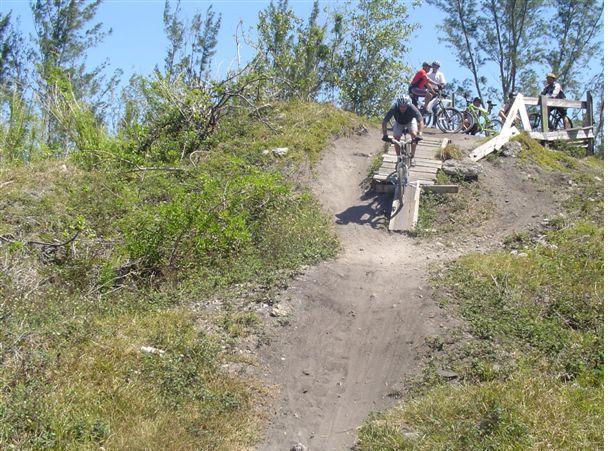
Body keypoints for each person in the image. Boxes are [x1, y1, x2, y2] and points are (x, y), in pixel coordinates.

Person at [381, 94, 424, 159]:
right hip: (399, 122)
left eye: (405, 106)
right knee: (396, 138)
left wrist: (420, 134)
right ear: (398, 104)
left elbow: (421, 121)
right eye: (401, 106)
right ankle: (398, 157)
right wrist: (385, 135)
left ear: (408, 104)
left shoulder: (412, 107)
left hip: (410, 121)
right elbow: (384, 122)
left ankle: (412, 155)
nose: (403, 108)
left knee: (414, 135)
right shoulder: (394, 107)